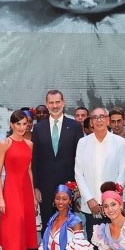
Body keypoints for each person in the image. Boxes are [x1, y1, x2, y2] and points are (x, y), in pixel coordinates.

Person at [74, 107, 125, 250]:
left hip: (111, 206)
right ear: (91, 121)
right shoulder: (83, 143)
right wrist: (90, 199)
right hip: (92, 206)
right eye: (95, 118)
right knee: (94, 245)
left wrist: (111, 199)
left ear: (107, 120)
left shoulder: (119, 142)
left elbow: (123, 171)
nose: (98, 120)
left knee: (114, 244)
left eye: (102, 117)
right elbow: (79, 173)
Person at [0, 109, 38, 250]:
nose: (22, 127)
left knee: (24, 229)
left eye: (24, 124)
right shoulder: (5, 143)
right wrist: (0, 197)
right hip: (11, 190)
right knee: (13, 229)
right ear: (11, 125)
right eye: (18, 124)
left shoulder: (29, 144)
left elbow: (29, 170)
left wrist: (34, 196)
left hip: (26, 191)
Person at [32, 89, 84, 227]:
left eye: (57, 102)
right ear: (47, 104)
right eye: (51, 103)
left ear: (63, 103)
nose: (55, 106)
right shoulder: (38, 128)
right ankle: (46, 249)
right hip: (45, 188)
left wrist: (77, 186)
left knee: (68, 225)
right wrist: (36, 187)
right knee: (47, 225)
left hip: (68, 187)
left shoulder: (75, 127)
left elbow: (80, 158)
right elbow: (35, 159)